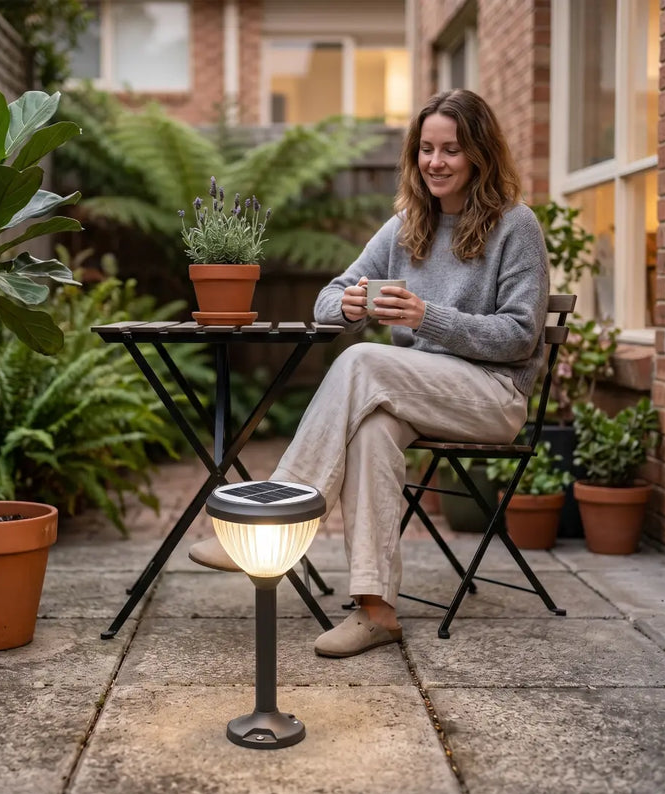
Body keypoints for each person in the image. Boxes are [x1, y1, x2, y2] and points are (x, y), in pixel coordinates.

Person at [189, 89, 549, 658]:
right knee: (373, 429)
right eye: (427, 149)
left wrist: (428, 317)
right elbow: (327, 299)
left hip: (492, 394)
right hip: (413, 390)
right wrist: (350, 306)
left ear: (480, 154)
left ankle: (270, 522)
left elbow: (519, 336)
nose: (436, 162)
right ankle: (375, 610)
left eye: (451, 150)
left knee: (360, 361)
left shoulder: (515, 226)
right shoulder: (407, 225)